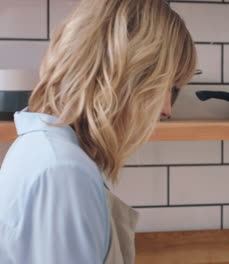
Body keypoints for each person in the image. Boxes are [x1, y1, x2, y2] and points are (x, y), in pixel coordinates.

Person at [0, 0, 197, 263]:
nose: (166, 109)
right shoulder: (63, 171)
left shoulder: (46, 150)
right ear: (120, 73)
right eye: (163, 84)